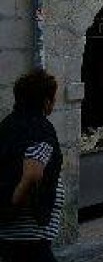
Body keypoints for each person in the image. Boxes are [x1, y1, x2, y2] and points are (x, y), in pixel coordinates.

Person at [0, 70, 64, 262]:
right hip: (30, 232)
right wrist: (15, 201)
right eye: (53, 99)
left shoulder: (7, 125)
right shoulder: (40, 127)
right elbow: (33, 173)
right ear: (46, 102)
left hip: (9, 233)